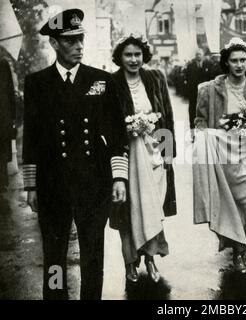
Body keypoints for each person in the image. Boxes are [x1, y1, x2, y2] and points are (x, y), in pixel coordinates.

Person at [22, 9, 128, 300]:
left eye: (81, 39)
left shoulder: (101, 81)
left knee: (93, 254)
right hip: (52, 184)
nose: (79, 46)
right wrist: (31, 186)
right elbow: (30, 137)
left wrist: (119, 177)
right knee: (55, 255)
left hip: (94, 183)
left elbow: (118, 135)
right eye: (71, 41)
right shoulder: (37, 84)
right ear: (55, 44)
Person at [193, 37, 246, 274]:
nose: (239, 65)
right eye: (234, 61)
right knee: (232, 206)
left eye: (243, 60)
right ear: (226, 63)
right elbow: (199, 120)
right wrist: (203, 136)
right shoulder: (209, 89)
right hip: (224, 154)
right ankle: (238, 252)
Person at [109, 35, 177, 283]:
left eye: (137, 54)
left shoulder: (155, 77)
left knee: (152, 207)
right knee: (127, 209)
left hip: (154, 154)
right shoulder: (112, 82)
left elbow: (167, 116)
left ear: (144, 55)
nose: (134, 59)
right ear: (120, 57)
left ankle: (150, 257)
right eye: (128, 55)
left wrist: (169, 155)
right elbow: (108, 123)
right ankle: (130, 262)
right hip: (126, 156)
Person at [184, 48, 211, 134]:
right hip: (193, 94)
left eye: (200, 54)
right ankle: (192, 130)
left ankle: (204, 131)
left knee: (205, 112)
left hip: (205, 94)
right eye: (197, 54)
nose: (198, 56)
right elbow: (187, 79)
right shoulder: (190, 66)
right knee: (193, 112)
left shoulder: (208, 65)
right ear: (195, 56)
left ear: (203, 55)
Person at [0, 59, 15, 192]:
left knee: (2, 151)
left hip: (3, 116)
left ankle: (2, 181)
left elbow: (10, 90)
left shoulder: (3, 64)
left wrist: (13, 116)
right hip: (4, 116)